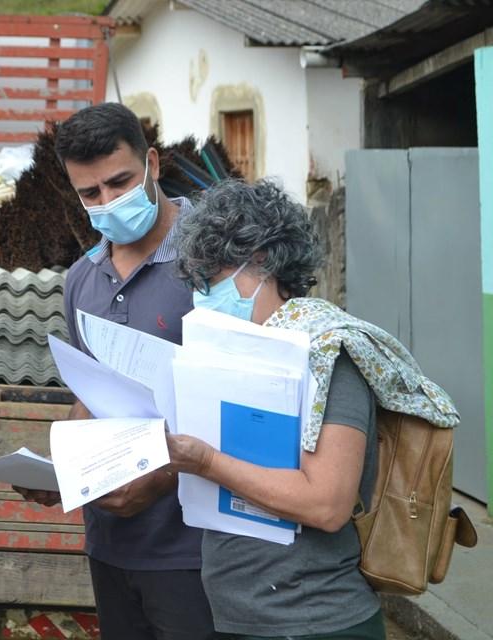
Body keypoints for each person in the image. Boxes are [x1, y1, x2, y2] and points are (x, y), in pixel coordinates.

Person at [167, 178, 456, 639]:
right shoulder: (229, 358)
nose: (203, 297)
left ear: (262, 261)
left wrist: (206, 461)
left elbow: (326, 505)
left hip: (315, 622)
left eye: (214, 281)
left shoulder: (329, 355)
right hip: (238, 615)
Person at [17, 103, 220, 640]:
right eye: (90, 194)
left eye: (120, 182)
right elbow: (90, 397)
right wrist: (65, 473)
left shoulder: (220, 261)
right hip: (110, 542)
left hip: (198, 548)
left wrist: (161, 479)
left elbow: (251, 403)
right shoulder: (81, 280)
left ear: (152, 163)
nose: (107, 202)